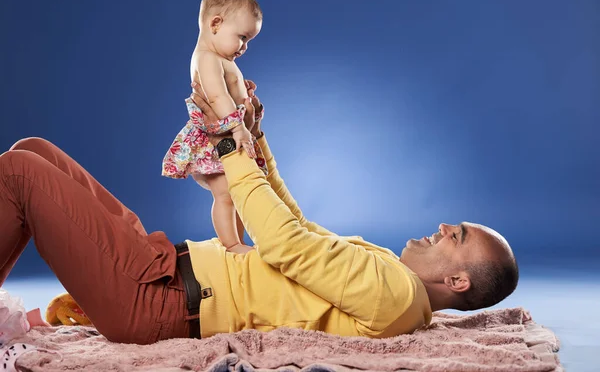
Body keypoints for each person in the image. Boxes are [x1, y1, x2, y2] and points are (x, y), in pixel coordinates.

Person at [0, 82, 519, 345]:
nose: (447, 226)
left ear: (456, 280)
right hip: (160, 270)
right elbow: (299, 228)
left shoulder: (395, 295)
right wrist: (255, 140)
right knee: (35, 150)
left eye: (459, 236)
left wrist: (230, 147)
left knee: (20, 171)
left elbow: (283, 244)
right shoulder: (389, 277)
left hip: (153, 300)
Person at [161, 0, 266, 254]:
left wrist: (245, 96)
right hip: (215, 140)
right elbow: (217, 97)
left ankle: (241, 243)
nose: (244, 47)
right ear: (215, 24)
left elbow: (229, 93)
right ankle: (231, 244)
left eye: (248, 41)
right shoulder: (207, 57)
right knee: (225, 195)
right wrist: (239, 126)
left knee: (238, 194)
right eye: (242, 37)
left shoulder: (220, 57)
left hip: (229, 136)